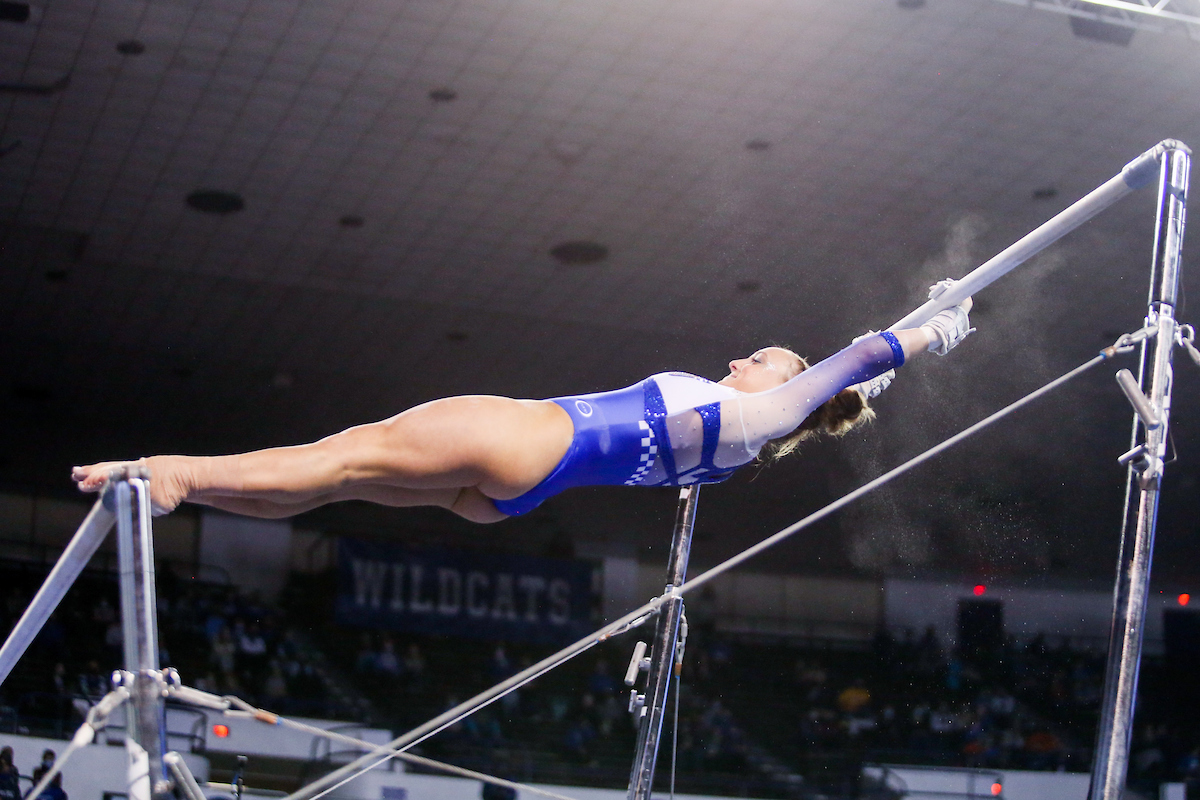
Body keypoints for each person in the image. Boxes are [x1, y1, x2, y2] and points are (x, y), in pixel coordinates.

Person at [72, 294, 973, 523]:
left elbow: (853, 360)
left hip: (528, 438)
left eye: (760, 359)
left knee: (343, 455)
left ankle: (179, 473)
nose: (741, 358)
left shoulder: (763, 414)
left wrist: (933, 330)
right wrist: (894, 362)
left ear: (783, 383)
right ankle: (175, 488)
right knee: (330, 485)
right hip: (514, 496)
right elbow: (851, 382)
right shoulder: (740, 447)